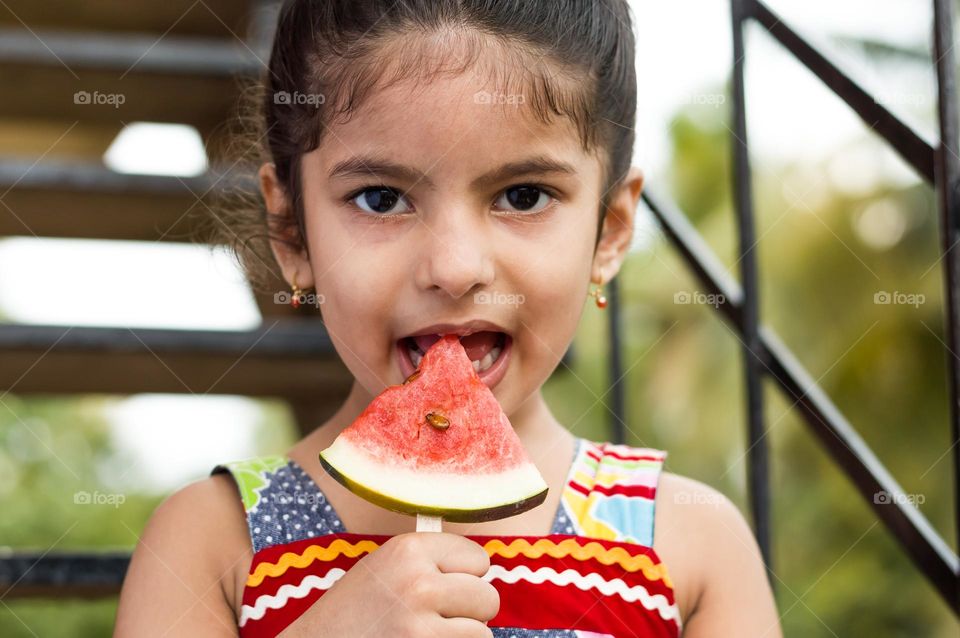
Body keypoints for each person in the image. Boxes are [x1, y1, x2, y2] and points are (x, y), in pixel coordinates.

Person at [115, 1, 781, 636]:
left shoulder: (692, 544)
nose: (455, 267)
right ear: (291, 232)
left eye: (524, 196)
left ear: (609, 231)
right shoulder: (207, 542)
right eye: (381, 198)